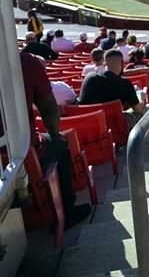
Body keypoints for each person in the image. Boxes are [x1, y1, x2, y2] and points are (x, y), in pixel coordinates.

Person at [20, 52, 92, 228]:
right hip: (21, 149)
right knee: (60, 145)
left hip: (15, 150)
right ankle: (67, 212)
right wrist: (54, 133)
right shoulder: (25, 61)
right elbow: (49, 107)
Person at [79, 50, 149, 143]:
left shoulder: (89, 78)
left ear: (104, 62)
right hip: (117, 125)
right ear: (122, 63)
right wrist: (141, 97)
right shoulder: (124, 84)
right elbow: (138, 109)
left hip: (90, 127)